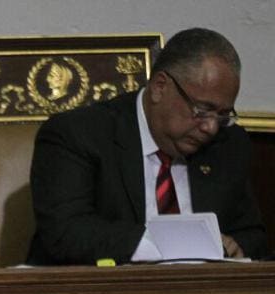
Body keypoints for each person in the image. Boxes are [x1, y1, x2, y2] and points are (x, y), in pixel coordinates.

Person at [28, 27, 268, 265]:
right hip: (103, 286)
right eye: (202, 110)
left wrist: (235, 245)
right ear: (160, 87)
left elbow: (253, 235)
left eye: (223, 115)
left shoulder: (227, 144)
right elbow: (66, 232)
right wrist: (169, 244)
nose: (211, 128)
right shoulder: (79, 134)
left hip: (202, 288)